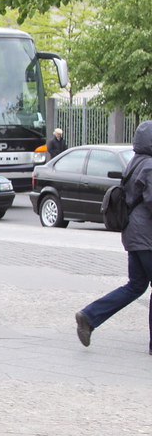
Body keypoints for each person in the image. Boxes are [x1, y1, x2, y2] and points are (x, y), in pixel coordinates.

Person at [75, 120, 152, 355]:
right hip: (147, 236)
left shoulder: (135, 162)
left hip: (134, 234)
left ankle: (89, 316)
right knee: (137, 285)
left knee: (136, 286)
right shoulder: (149, 165)